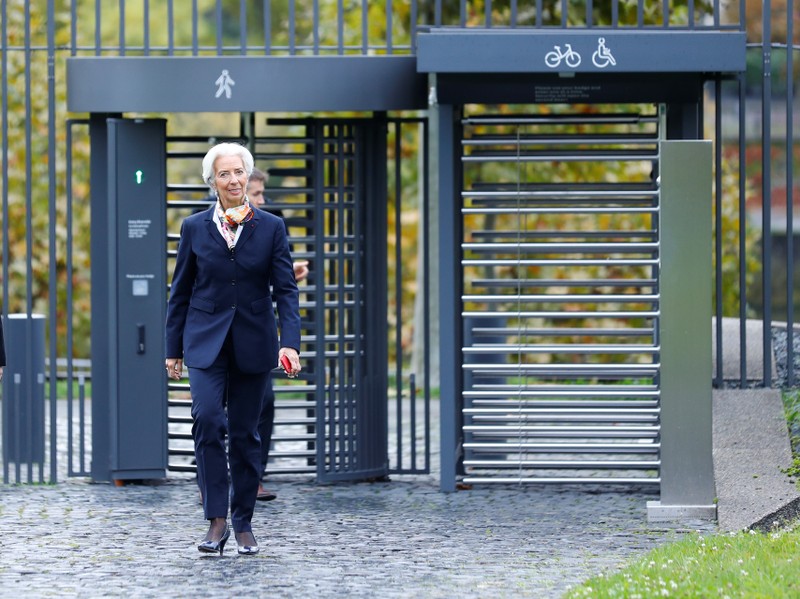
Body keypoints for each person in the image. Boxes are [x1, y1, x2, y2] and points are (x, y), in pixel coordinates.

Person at [165, 142, 301, 556]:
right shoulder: (194, 228)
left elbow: (286, 290)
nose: (234, 180)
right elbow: (180, 291)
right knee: (207, 420)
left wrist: (290, 343)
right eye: (224, 174)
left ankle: (243, 522)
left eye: (239, 172)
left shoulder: (271, 227)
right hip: (205, 342)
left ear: (248, 175)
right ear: (213, 182)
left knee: (245, 435)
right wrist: (173, 349)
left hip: (255, 342)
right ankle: (216, 520)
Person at [246, 168, 308, 501]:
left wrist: (293, 274)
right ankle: (211, 479)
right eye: (257, 194)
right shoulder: (202, 223)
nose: (262, 200)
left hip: (255, 331)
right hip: (216, 334)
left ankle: (253, 477)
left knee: (263, 403)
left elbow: (282, 278)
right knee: (212, 412)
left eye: (262, 193)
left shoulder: (273, 223)